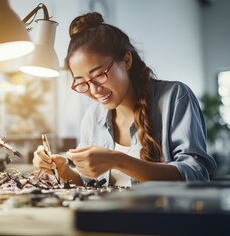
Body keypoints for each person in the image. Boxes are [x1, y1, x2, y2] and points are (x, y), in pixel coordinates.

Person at [33, 12, 217, 187]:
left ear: (126, 60)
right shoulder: (93, 116)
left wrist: (117, 160)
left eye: (99, 75)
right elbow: (87, 183)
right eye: (82, 83)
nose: (95, 90)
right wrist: (61, 168)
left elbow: (195, 174)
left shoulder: (174, 97)